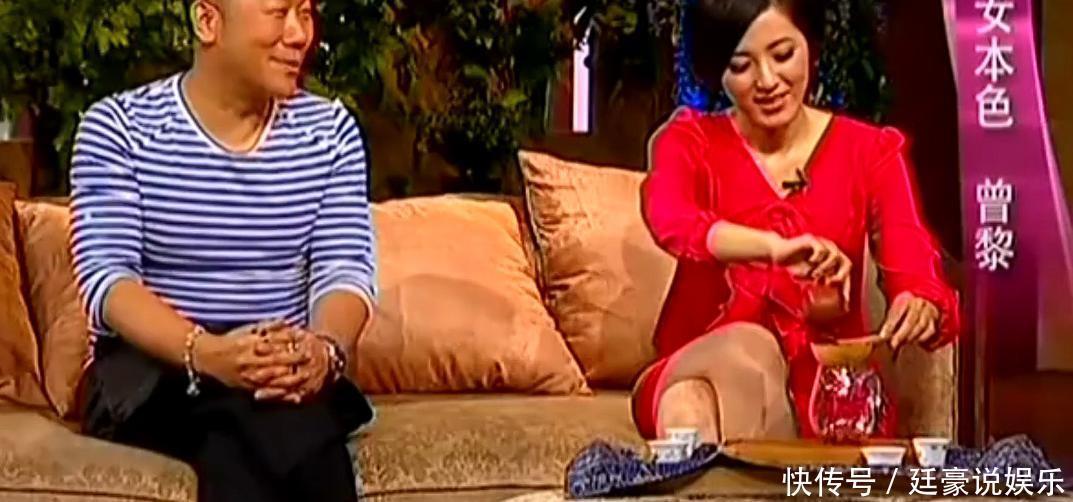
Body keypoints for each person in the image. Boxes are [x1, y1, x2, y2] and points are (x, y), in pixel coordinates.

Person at [69, 0, 376, 500]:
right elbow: (108, 281)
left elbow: (344, 269)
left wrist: (323, 350)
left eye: (306, 13)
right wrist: (209, 354)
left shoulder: (330, 131)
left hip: (276, 374)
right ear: (208, 21)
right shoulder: (119, 128)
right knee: (281, 434)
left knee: (257, 431)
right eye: (279, 12)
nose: (300, 34)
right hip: (156, 372)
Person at [632, 0, 961, 444]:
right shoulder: (689, 141)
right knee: (737, 357)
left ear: (811, 44)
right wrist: (773, 248)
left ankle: (720, 478)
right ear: (716, 69)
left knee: (688, 407)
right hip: (701, 359)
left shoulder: (869, 152)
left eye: (783, 55)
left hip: (825, 394)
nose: (767, 81)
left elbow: (913, 264)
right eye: (741, 66)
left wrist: (919, 303)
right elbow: (673, 219)